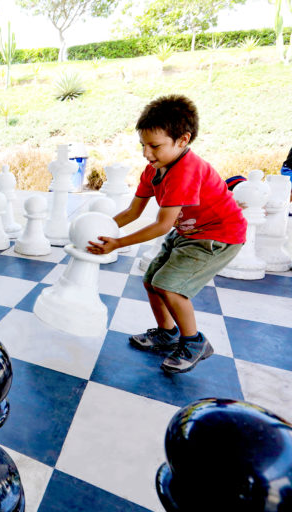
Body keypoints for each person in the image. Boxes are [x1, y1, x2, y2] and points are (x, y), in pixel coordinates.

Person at [87, 95, 246, 374]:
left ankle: (195, 342)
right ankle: (167, 333)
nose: (147, 154)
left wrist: (118, 244)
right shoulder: (154, 170)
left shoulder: (185, 171)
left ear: (183, 140)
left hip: (218, 236)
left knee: (169, 286)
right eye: (143, 145)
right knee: (152, 281)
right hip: (189, 232)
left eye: (155, 146)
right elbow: (133, 212)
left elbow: (162, 225)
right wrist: (101, 228)